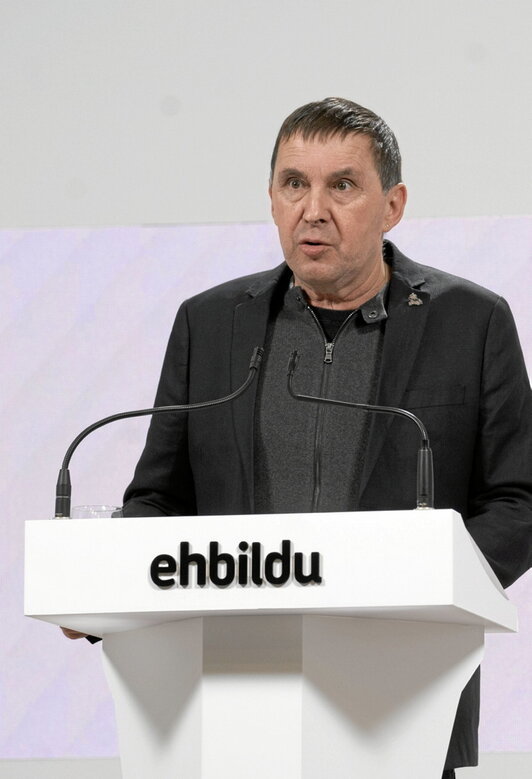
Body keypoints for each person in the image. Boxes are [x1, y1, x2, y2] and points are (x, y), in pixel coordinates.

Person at [63, 97, 532, 777]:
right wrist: (106, 595)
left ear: (392, 204)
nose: (313, 209)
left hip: (405, 706)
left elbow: (518, 498)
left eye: (342, 185)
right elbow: (160, 501)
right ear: (273, 197)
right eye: (294, 184)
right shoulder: (211, 323)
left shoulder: (473, 321)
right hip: (231, 707)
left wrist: (428, 589)